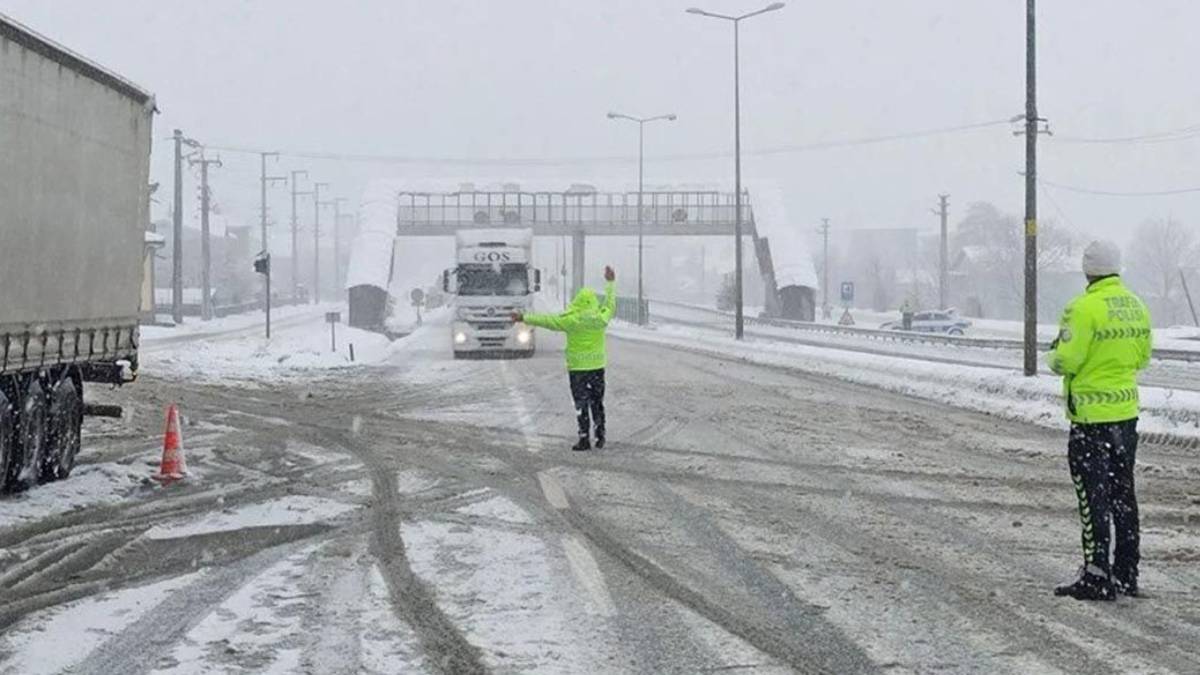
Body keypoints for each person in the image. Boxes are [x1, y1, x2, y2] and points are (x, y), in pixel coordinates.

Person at [1047, 240, 1152, 601]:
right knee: (1124, 495)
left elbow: (1066, 361)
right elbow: (1143, 358)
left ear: (1087, 270)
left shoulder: (1082, 308)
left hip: (1091, 420)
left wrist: (1054, 354)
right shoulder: (1136, 306)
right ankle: (1126, 573)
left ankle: (1096, 576)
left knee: (1094, 499)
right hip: (1126, 416)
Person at [513, 266, 617, 451]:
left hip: (577, 369)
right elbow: (610, 305)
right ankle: (600, 435)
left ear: (577, 302)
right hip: (596, 367)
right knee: (597, 402)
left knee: (581, 404)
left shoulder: (571, 321)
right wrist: (610, 283)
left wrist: (523, 317)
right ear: (592, 303)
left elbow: (547, 320)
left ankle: (584, 438)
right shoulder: (600, 319)